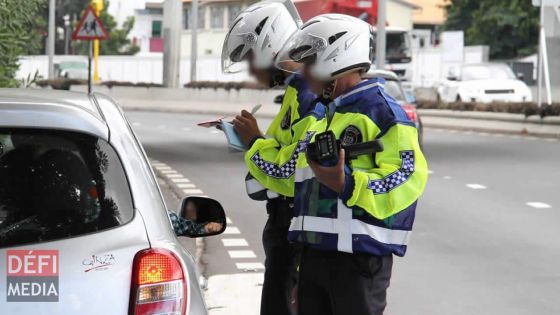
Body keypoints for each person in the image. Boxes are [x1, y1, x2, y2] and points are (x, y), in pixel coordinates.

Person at [274, 14, 429, 314]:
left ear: (335, 58)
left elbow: (407, 176)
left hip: (358, 262)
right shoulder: (324, 114)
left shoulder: (383, 113)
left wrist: (347, 184)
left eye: (309, 62)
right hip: (313, 257)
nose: (304, 73)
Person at [221, 1, 319, 314]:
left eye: (250, 59)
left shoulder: (308, 94)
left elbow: (292, 170)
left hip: (295, 224)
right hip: (287, 222)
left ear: (270, 47)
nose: (250, 69)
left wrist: (253, 143)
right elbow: (285, 149)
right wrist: (259, 141)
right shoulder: (295, 92)